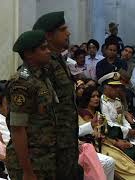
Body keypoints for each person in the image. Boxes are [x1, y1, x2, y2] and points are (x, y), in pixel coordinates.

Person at [33, 11, 81, 179]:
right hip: (53, 146)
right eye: (63, 29)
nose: (68, 33)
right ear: (48, 35)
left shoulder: (59, 61)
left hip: (66, 141)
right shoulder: (44, 65)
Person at [78, 86, 135, 180]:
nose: (96, 98)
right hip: (96, 146)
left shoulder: (98, 112)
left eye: (97, 96)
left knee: (127, 161)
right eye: (93, 96)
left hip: (107, 142)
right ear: (87, 98)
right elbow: (93, 135)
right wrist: (116, 142)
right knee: (118, 163)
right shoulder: (83, 114)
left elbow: (108, 128)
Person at [6, 30, 58, 180]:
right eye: (43, 48)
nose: (49, 51)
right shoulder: (22, 83)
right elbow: (17, 129)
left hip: (46, 157)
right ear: (29, 54)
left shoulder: (42, 76)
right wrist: (27, 171)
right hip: (30, 161)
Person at [100, 72, 135, 167]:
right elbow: (109, 124)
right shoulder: (103, 102)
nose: (117, 89)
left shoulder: (117, 100)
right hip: (115, 136)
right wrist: (127, 131)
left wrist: (129, 129)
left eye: (118, 87)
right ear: (106, 87)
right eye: (113, 87)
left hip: (125, 134)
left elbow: (123, 119)